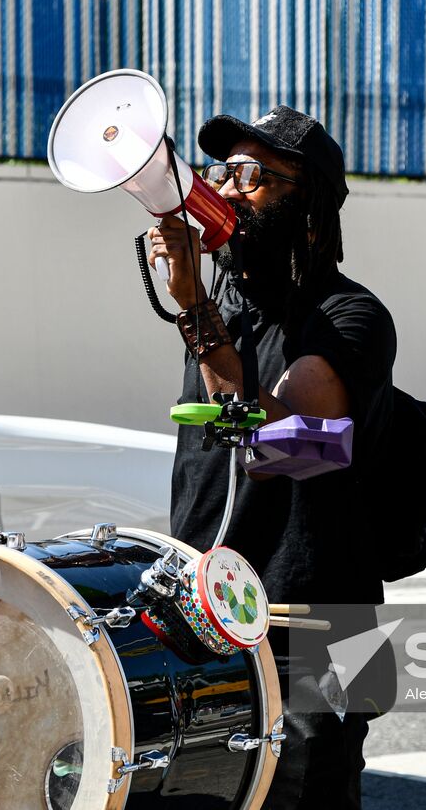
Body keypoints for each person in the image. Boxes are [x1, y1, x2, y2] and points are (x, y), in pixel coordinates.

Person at [146, 106, 394, 808]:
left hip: (325, 632)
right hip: (217, 621)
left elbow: (280, 445)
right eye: (223, 171)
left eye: (252, 176)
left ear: (306, 199)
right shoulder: (231, 314)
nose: (224, 188)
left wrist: (195, 306)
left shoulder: (353, 317)